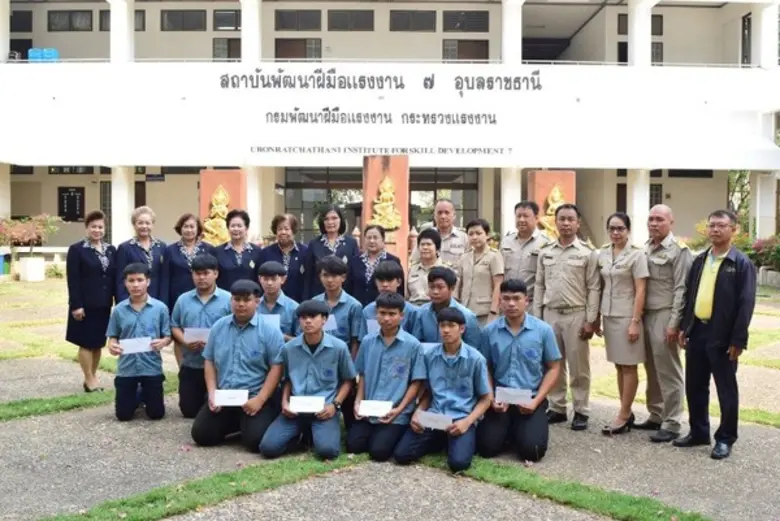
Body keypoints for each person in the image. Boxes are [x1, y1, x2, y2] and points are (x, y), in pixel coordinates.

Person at [675, 210, 756, 460]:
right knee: (695, 386)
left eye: (721, 225)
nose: (715, 230)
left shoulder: (741, 264)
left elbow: (746, 304)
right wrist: (684, 327)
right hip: (698, 330)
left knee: (726, 389)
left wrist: (738, 340)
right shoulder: (700, 261)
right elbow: (690, 297)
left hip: (723, 336)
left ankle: (725, 438)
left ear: (734, 230)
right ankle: (699, 432)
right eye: (711, 225)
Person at [191, 280, 285, 452]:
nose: (241, 304)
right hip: (225, 395)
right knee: (202, 436)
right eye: (236, 299)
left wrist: (260, 400)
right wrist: (212, 393)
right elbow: (209, 361)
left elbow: (276, 367)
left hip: (254, 396)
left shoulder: (270, 331)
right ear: (231, 301)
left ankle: (253, 421)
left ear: (257, 302)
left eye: (246, 300)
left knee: (255, 442)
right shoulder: (219, 327)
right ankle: (235, 424)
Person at [393, 307, 492, 472]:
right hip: (434, 416)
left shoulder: (476, 359)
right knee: (401, 455)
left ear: (461, 329)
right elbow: (428, 392)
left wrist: (467, 422)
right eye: (442, 325)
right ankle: (440, 440)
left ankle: (456, 440)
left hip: (461, 417)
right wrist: (418, 412)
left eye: (451, 325)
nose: (445, 330)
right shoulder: (430, 356)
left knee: (458, 464)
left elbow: (486, 398)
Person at [259, 300, 357, 461]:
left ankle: (315, 434)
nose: (308, 321)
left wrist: (335, 405)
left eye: (312, 317)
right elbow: (287, 380)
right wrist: (285, 403)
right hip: (296, 409)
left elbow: (348, 380)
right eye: (303, 318)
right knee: (268, 448)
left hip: (324, 409)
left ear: (324, 319)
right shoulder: (289, 348)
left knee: (328, 451)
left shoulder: (338, 347)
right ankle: (302, 436)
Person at [476, 279, 562, 462]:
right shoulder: (489, 331)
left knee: (534, 451)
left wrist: (536, 401)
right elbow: (485, 367)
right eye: (506, 298)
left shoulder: (543, 331)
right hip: (500, 399)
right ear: (499, 301)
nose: (511, 304)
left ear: (526, 301)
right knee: (485, 448)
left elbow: (554, 368)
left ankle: (518, 430)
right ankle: (509, 429)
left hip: (530, 398)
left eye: (516, 298)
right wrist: (490, 398)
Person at [534, 203, 600, 431]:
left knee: (579, 366)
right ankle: (557, 406)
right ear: (556, 222)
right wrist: (537, 318)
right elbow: (539, 286)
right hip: (550, 314)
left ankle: (581, 410)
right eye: (561, 219)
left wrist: (590, 320)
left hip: (576, 314)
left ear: (578, 223)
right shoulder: (545, 252)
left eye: (570, 219)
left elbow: (593, 288)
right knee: (554, 363)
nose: (565, 223)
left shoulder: (588, 253)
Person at [348, 292, 426, 461]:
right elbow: (362, 374)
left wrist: (399, 409)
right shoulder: (368, 341)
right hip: (370, 408)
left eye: (392, 314)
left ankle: (399, 432)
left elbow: (416, 382)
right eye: (382, 313)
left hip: (396, 411)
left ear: (401, 316)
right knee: (354, 445)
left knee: (379, 452)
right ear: (376, 314)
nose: (387, 319)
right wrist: (358, 401)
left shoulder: (413, 345)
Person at [636, 204, 691, 442]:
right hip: (646, 315)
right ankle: (656, 414)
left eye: (659, 219)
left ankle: (672, 422)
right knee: (651, 368)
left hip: (665, 314)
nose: (654, 223)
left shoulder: (679, 251)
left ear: (671, 222)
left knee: (669, 371)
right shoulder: (645, 248)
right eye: (650, 219)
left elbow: (682, 289)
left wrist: (674, 323)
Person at [597, 212, 649, 435]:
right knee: (619, 365)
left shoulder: (637, 255)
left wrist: (635, 321)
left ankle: (624, 413)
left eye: (620, 228)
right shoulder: (603, 253)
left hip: (628, 316)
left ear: (628, 230)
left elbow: (641, 290)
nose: (616, 232)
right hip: (609, 316)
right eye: (612, 228)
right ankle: (625, 410)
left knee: (629, 366)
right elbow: (601, 286)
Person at [106, 262, 171, 421]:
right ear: (125, 283)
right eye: (131, 280)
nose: (136, 285)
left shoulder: (160, 308)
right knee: (123, 415)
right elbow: (112, 336)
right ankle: (135, 396)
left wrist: (163, 342)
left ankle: (144, 394)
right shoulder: (119, 310)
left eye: (140, 280)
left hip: (151, 367)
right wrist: (112, 345)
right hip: (127, 368)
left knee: (156, 414)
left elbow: (167, 336)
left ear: (148, 281)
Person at [169, 254, 232, 418]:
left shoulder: (228, 299)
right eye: (197, 273)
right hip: (191, 363)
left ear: (216, 274)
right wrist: (184, 341)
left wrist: (214, 344)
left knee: (218, 410)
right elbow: (174, 326)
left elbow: (235, 329)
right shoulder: (183, 300)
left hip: (220, 365)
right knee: (189, 411)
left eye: (206, 273)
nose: (201, 277)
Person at [311, 255, 367, 428]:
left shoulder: (354, 306)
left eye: (334, 276)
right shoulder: (314, 303)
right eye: (325, 275)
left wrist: (352, 367)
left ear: (343, 277)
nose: (330, 280)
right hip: (319, 357)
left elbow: (355, 339)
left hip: (344, 358)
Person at [65, 210, 117, 393]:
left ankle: (92, 376)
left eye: (100, 227)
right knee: (86, 342)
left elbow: (114, 277)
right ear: (87, 228)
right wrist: (76, 305)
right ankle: (89, 378)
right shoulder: (77, 250)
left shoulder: (111, 250)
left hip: (104, 305)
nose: (97, 230)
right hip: (84, 305)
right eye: (93, 226)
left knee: (97, 343)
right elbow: (73, 280)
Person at [159, 213, 216, 317]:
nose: (189, 230)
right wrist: (164, 303)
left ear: (198, 229)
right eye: (185, 226)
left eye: (192, 226)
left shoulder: (209, 249)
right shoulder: (170, 250)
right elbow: (165, 278)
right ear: (180, 229)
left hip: (203, 296)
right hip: (177, 297)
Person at [500, 201, 551, 315]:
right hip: (508, 303)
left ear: (536, 218)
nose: (521, 220)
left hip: (532, 304)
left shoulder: (546, 243)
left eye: (526, 216)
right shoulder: (506, 241)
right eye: (518, 216)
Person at [412, 266, 481, 349]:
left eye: (440, 287)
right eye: (431, 287)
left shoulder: (467, 316)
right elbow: (416, 345)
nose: (435, 292)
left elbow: (473, 349)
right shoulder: (421, 313)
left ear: (452, 288)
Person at [302, 205, 360, 300]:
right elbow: (308, 276)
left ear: (341, 220)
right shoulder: (314, 244)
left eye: (334, 218)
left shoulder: (351, 243)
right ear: (322, 222)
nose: (330, 222)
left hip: (345, 298)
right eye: (326, 219)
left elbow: (354, 275)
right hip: (319, 297)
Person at [455, 218, 505, 326]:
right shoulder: (464, 257)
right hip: (465, 311)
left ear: (487, 235)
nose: (474, 237)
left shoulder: (494, 256)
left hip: (485, 313)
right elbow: (458, 284)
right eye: (471, 234)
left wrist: (494, 311)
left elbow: (498, 285)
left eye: (479, 233)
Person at [115, 206, 166, 302]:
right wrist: (123, 303)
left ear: (152, 225)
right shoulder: (125, 248)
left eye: (148, 223)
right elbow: (120, 280)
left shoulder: (162, 247)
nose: (144, 226)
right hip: (133, 300)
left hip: (157, 299)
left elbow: (164, 278)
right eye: (140, 223)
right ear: (134, 225)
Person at [347, 224, 404, 306]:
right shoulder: (355, 261)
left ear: (383, 240)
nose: (372, 241)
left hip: (384, 308)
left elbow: (400, 290)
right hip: (358, 308)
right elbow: (349, 287)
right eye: (369, 238)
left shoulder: (393, 260)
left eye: (375, 237)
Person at [258, 214, 307, 303]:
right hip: (271, 304)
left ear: (293, 230)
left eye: (286, 229)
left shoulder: (305, 252)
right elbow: (260, 278)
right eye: (280, 229)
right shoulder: (266, 253)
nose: (283, 232)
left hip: (299, 303)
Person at [363, 260, 419, 334]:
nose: (385, 284)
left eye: (389, 280)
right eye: (381, 280)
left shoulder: (412, 311)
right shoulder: (367, 311)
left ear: (399, 282)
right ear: (375, 282)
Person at [409, 199, 469, 267]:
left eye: (447, 212)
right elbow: (414, 261)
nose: (443, 216)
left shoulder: (464, 238)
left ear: (454, 215)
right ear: (434, 216)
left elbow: (469, 264)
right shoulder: (425, 236)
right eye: (439, 213)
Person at [215, 209, 263, 292]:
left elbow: (261, 278)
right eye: (232, 226)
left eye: (239, 226)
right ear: (228, 228)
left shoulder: (258, 252)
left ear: (246, 228)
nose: (236, 229)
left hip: (250, 299)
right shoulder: (217, 252)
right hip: (226, 299)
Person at [257, 260, 300, 341]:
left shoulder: (294, 308)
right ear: (260, 279)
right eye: (265, 279)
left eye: (274, 279)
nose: (269, 283)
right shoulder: (254, 306)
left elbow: (301, 340)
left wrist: (282, 337)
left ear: (283, 279)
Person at [406, 228, 447, 306]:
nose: (425, 247)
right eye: (422, 244)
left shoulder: (445, 269)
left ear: (437, 248)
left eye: (429, 244)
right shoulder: (412, 269)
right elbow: (407, 296)